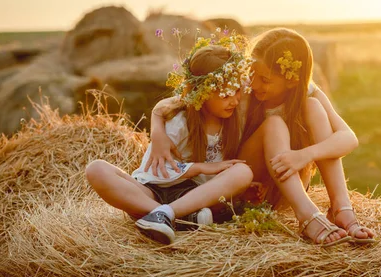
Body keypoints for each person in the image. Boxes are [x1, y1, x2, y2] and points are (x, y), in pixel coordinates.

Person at [151, 28, 376, 247]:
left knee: (314, 108)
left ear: (291, 80)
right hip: (246, 185)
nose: (255, 83)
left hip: (287, 189)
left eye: (265, 80)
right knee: (274, 124)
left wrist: (304, 155)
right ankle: (308, 216)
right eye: (252, 73)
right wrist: (158, 133)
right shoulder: (246, 86)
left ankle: (340, 208)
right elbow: (168, 105)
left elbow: (349, 138)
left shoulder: (307, 92)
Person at [85, 33, 254, 244]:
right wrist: (200, 168)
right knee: (96, 169)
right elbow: (157, 174)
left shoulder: (236, 113)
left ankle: (169, 215)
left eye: (237, 91)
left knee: (243, 172)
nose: (234, 100)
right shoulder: (179, 122)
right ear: (201, 93)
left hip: (198, 198)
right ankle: (171, 215)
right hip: (153, 194)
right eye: (224, 94)